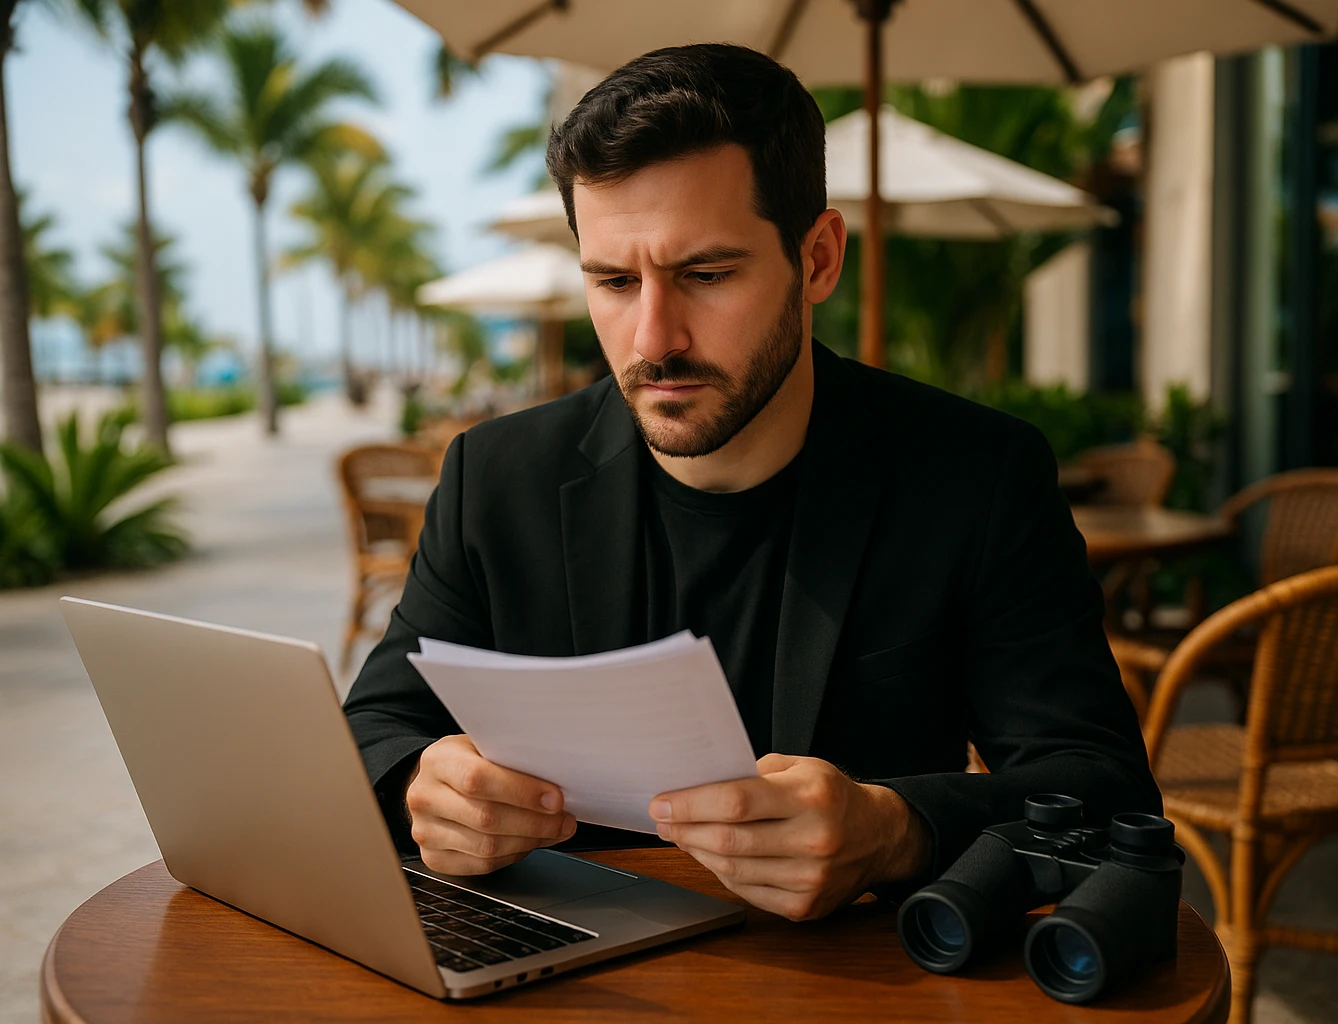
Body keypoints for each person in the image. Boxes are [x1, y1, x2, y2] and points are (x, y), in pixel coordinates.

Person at [344, 42, 1158, 923]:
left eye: (705, 275)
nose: (654, 338)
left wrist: (895, 829)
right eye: (614, 281)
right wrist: (425, 786)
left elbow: (1107, 791)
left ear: (817, 260)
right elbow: (369, 734)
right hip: (560, 979)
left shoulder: (975, 477)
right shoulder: (498, 478)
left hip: (848, 986)